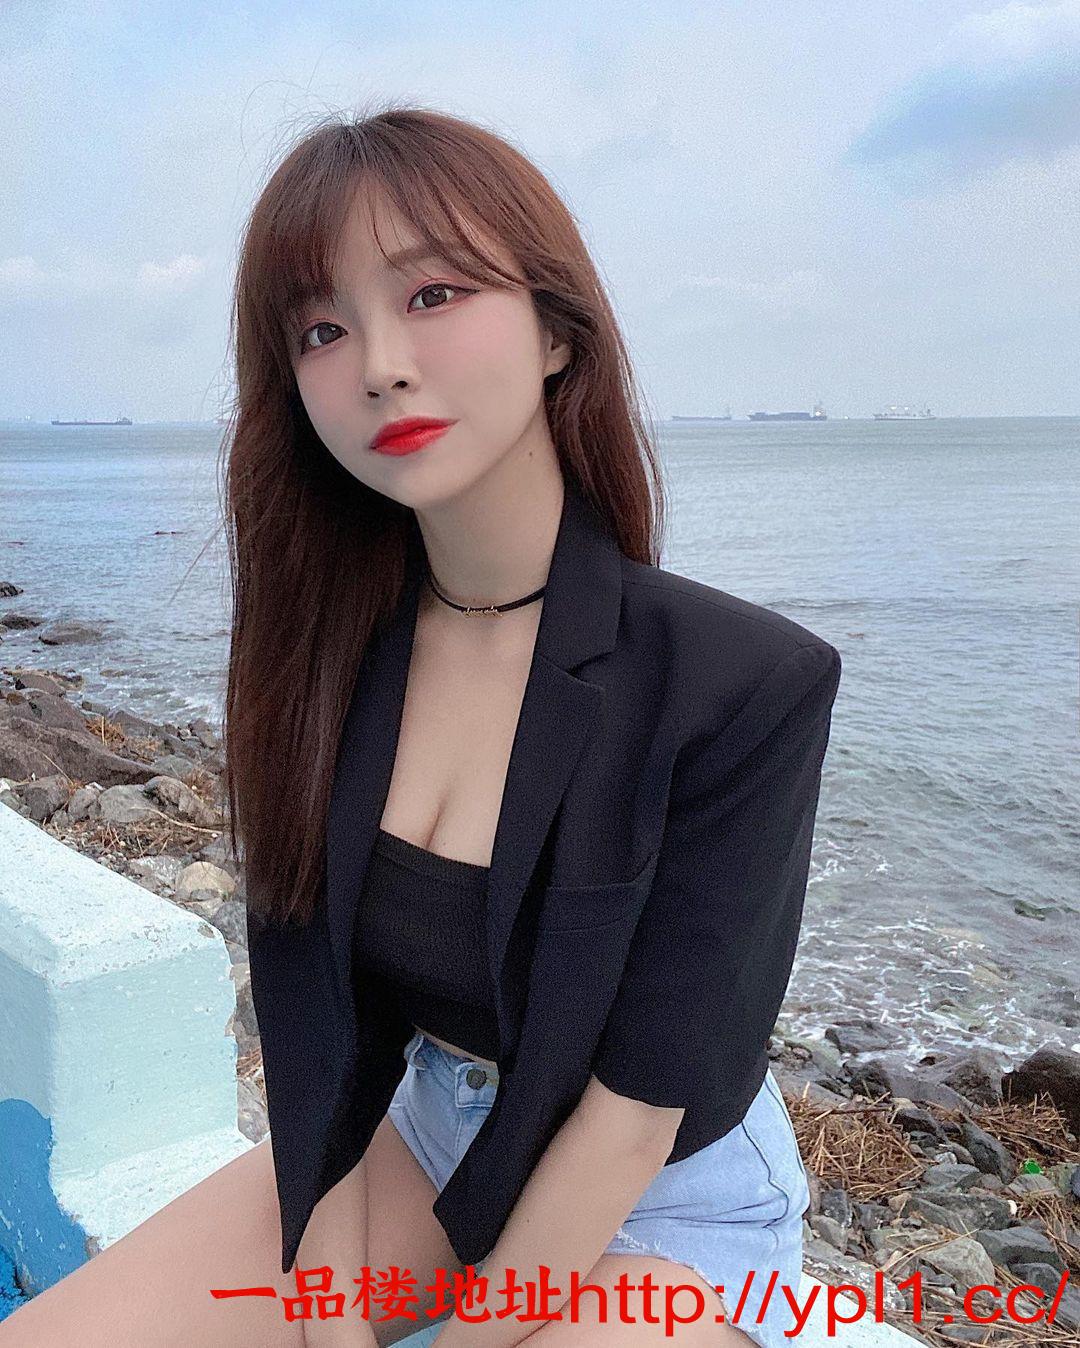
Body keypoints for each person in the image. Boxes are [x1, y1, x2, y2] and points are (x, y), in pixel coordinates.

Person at [4, 104, 841, 1348]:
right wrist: (329, 1311)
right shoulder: (327, 656)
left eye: (434, 294)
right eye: (322, 329)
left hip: (656, 1203)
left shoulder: (741, 682)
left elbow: (634, 1112)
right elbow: (321, 1032)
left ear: (558, 331)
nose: (380, 365)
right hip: (424, 1137)